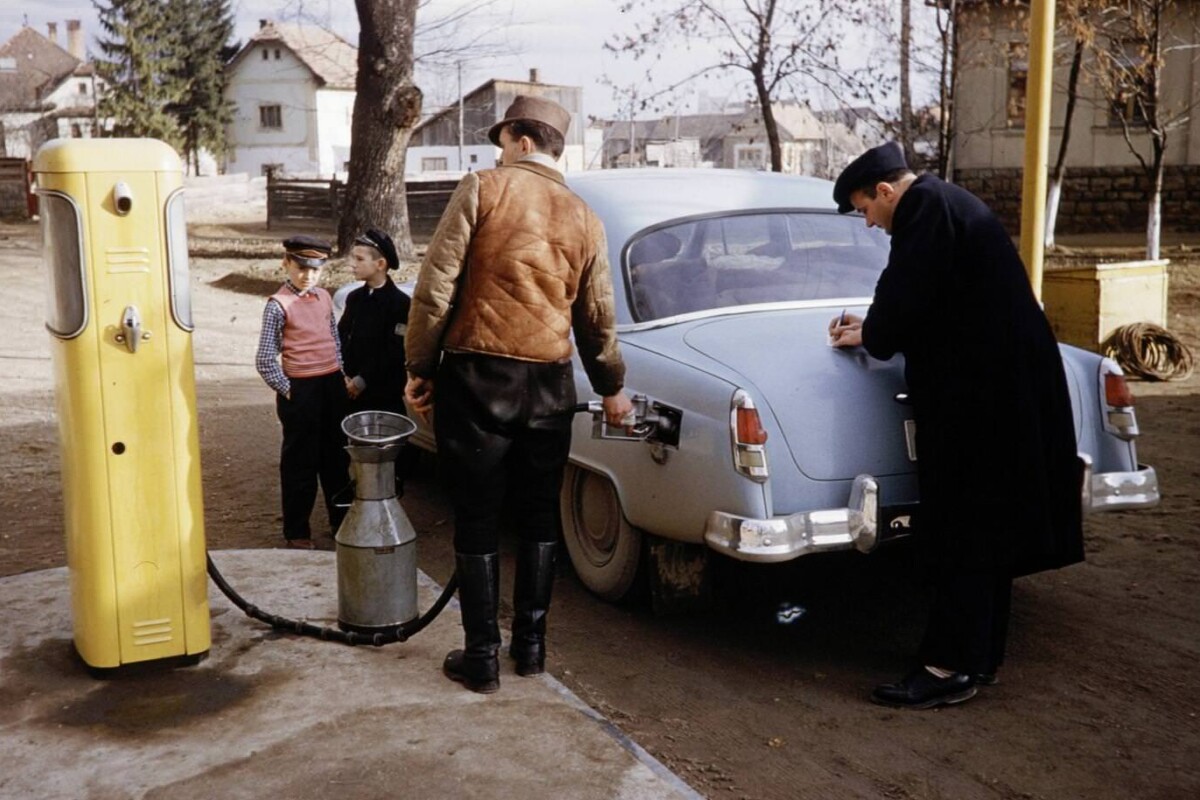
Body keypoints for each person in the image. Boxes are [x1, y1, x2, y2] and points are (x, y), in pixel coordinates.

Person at [828, 142, 1083, 710]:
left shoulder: (924, 211)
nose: (869, 222)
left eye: (865, 208)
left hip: (982, 402)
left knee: (961, 526)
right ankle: (978, 657)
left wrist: (873, 333)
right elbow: (932, 299)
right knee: (985, 530)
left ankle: (945, 666)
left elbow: (903, 294)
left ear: (887, 191)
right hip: (1005, 393)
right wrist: (873, 329)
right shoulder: (949, 204)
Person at [404, 95, 633, 694]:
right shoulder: (586, 216)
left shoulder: (483, 188)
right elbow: (597, 317)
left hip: (478, 376)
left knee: (477, 517)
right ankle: (531, 650)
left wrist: (419, 364)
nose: (498, 153)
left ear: (523, 141)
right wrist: (612, 386)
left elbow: (435, 285)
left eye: (502, 141)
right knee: (538, 518)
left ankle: (481, 655)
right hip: (550, 384)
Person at [255, 235, 351, 550]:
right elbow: (265, 359)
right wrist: (290, 391)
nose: (308, 275)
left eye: (315, 269)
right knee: (300, 464)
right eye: (301, 267)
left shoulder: (324, 297)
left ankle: (343, 525)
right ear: (286, 263)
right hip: (301, 390)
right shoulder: (278, 305)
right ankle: (297, 532)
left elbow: (333, 338)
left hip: (332, 386)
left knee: (337, 460)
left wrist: (340, 375)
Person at [338, 228, 411, 414]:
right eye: (353, 258)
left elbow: (395, 350)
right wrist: (343, 374)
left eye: (360, 259)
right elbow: (340, 336)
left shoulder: (400, 304)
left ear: (380, 264)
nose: (352, 264)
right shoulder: (354, 298)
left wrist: (362, 380)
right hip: (348, 389)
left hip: (382, 393)